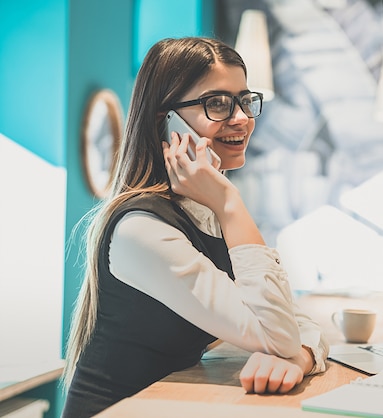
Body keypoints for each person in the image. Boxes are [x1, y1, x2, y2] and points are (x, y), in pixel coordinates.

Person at [61, 37, 329, 417]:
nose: (241, 118)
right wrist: (229, 203)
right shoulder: (143, 228)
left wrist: (299, 357)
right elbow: (277, 334)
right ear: (166, 121)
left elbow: (290, 319)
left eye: (244, 100)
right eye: (216, 103)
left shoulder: (202, 209)